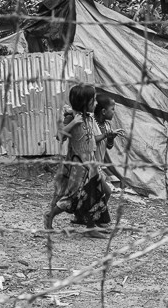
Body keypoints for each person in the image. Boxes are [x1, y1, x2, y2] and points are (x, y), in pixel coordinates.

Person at [44, 83, 111, 234]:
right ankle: (50, 215)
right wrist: (74, 122)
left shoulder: (90, 118)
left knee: (100, 193)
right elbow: (59, 136)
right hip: (79, 167)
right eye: (93, 100)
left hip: (91, 165)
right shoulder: (72, 118)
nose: (96, 103)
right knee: (72, 198)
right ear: (85, 103)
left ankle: (91, 226)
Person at [93, 93, 126, 197]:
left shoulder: (107, 125)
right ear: (103, 111)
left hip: (97, 167)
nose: (114, 112)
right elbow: (92, 141)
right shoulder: (91, 123)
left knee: (103, 194)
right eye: (112, 109)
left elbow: (108, 146)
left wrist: (111, 138)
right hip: (88, 166)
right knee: (105, 193)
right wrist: (106, 135)